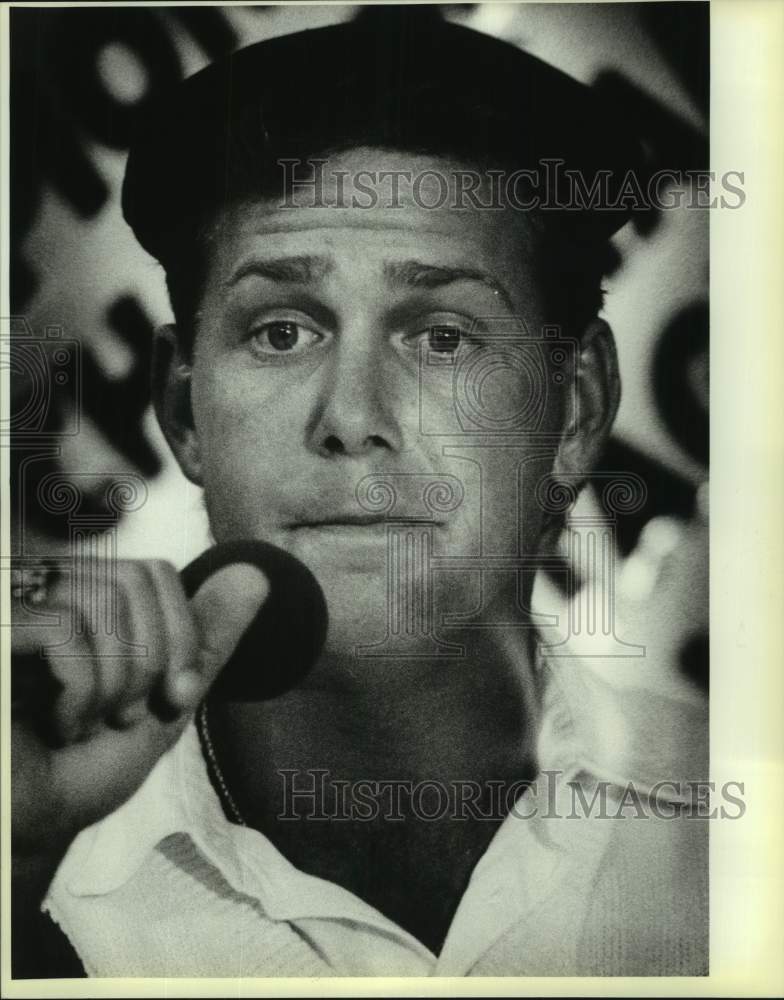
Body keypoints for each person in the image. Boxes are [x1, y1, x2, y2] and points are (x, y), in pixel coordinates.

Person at [11, 8, 707, 978]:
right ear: (181, 407)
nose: (350, 415)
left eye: (443, 335)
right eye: (282, 331)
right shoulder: (29, 840)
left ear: (576, 408)